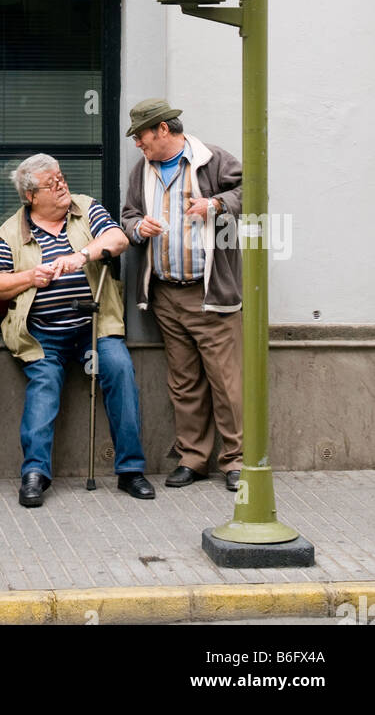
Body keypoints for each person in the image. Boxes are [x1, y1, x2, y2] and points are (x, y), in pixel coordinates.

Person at [0, 154, 154, 507]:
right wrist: (30, 277)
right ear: (31, 196)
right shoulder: (10, 232)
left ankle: (131, 471)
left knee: (120, 370)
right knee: (44, 388)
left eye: (61, 177)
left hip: (94, 326)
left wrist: (82, 256)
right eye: (52, 184)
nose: (62, 185)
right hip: (42, 333)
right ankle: (35, 474)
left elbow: (117, 238)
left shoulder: (86, 208)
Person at [120, 99, 243, 492]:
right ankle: (193, 458)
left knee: (226, 382)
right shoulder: (143, 170)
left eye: (141, 136)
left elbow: (253, 192)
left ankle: (236, 462)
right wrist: (140, 228)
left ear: (162, 130)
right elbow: (128, 217)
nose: (138, 144)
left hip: (209, 294)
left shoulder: (213, 160)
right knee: (184, 382)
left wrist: (217, 204)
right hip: (166, 294)